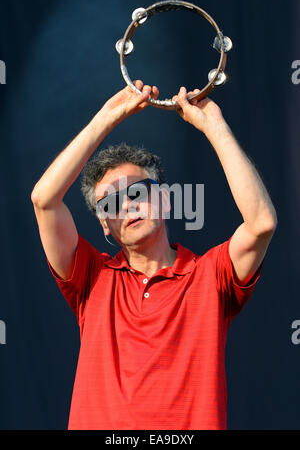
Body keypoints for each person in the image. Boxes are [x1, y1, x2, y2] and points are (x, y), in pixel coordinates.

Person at [31, 80, 277, 430]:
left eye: (137, 192)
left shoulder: (210, 274)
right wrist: (106, 117)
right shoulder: (91, 276)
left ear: (166, 198)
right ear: (104, 225)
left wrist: (215, 127)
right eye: (110, 203)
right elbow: (44, 200)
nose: (127, 205)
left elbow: (262, 223)